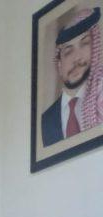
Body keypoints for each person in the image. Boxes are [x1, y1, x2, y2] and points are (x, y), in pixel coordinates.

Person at [41, 6, 102, 146]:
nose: (76, 58)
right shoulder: (45, 120)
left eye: (84, 43)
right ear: (59, 64)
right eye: (68, 51)